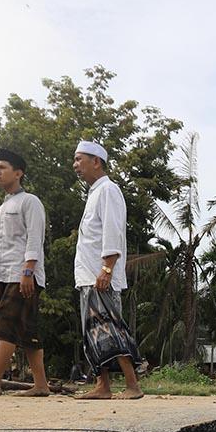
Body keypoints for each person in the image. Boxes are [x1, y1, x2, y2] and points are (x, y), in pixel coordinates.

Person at [0, 148, 50, 397]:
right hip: (3, 276)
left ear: (18, 173)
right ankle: (41, 385)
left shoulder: (30, 201)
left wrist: (28, 271)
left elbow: (35, 238)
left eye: (2, 167)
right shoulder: (2, 208)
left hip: (22, 275)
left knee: (6, 326)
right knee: (27, 332)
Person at [71, 140, 143, 400]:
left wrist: (107, 268)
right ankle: (103, 386)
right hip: (88, 276)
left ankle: (133, 385)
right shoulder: (94, 193)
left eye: (79, 159)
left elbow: (113, 231)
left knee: (112, 329)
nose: (75, 165)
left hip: (100, 275)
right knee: (93, 333)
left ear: (96, 162)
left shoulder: (108, 190)